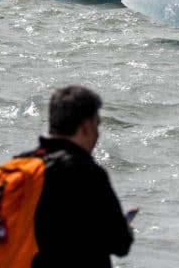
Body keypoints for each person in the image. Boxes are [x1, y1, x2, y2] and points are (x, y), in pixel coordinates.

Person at [31, 85, 134, 267]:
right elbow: (120, 244)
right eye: (97, 124)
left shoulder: (16, 170)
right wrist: (125, 229)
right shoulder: (86, 173)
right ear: (86, 127)